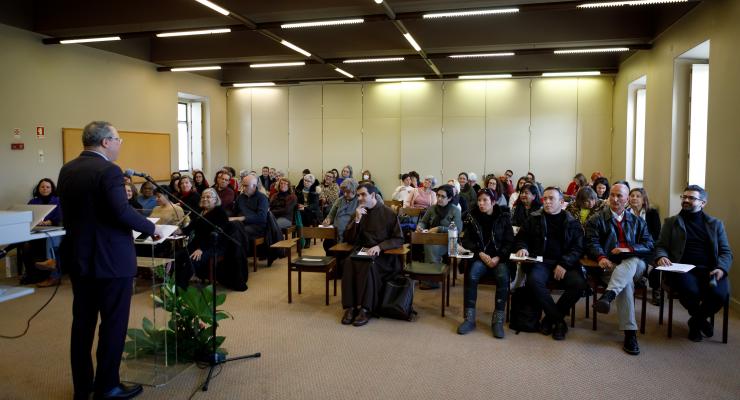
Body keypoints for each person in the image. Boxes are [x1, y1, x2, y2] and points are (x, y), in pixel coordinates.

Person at [58, 121, 160, 400]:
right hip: (112, 261)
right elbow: (121, 212)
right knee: (113, 324)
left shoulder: (68, 169)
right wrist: (154, 228)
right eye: (118, 139)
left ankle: (83, 387)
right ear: (105, 142)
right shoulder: (109, 171)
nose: (120, 143)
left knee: (82, 324)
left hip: (80, 259)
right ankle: (108, 386)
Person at [654, 185, 733, 342]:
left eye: (691, 198)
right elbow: (660, 245)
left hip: (710, 269)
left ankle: (695, 321)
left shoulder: (715, 224)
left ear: (703, 203)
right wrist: (661, 256)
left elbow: (726, 252)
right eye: (684, 197)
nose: (686, 200)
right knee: (690, 291)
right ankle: (699, 323)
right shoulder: (671, 222)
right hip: (682, 269)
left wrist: (721, 268)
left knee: (720, 294)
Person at [585, 183, 653, 355]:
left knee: (632, 260)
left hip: (636, 265)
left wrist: (629, 250)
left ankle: (608, 295)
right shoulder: (596, 219)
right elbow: (591, 242)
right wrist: (601, 257)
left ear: (627, 198)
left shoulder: (638, 222)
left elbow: (649, 245)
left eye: (620, 196)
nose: (615, 199)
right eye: (612, 195)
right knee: (626, 283)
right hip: (609, 266)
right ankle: (630, 333)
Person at [513, 187, 587, 340]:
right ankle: (559, 321)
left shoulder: (572, 222)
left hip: (565, 263)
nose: (546, 202)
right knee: (534, 280)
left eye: (551, 198)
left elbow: (578, 247)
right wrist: (522, 248)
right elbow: (521, 238)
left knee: (579, 284)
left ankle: (549, 319)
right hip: (541, 261)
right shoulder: (534, 218)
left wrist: (564, 264)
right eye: (544, 199)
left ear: (561, 202)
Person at [340, 183, 403, 327]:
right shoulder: (359, 212)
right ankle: (350, 307)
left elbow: (398, 239)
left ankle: (365, 308)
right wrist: (356, 220)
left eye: (363, 195)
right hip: (362, 250)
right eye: (358, 195)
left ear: (373, 195)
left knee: (368, 265)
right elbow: (348, 239)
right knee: (349, 262)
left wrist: (380, 247)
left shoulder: (388, 213)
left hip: (383, 255)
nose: (360, 198)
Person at [457, 189, 514, 338]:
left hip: (498, 258)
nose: (481, 204)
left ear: (493, 202)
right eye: (479, 200)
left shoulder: (504, 216)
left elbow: (509, 242)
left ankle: (497, 321)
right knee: (472, 275)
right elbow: (467, 240)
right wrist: (480, 253)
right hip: (480, 257)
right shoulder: (472, 216)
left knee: (502, 276)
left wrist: (498, 257)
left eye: (485, 201)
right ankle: (469, 319)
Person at [175, 187, 228, 288]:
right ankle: (174, 285)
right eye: (203, 197)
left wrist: (201, 249)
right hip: (197, 244)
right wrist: (179, 231)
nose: (204, 199)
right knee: (177, 256)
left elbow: (217, 234)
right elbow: (190, 227)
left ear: (215, 199)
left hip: (213, 245)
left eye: (208, 197)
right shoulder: (200, 211)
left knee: (192, 260)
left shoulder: (220, 212)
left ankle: (181, 288)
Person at [415, 184, 462, 290]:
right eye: (438, 196)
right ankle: (426, 275)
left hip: (450, 241)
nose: (439, 199)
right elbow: (423, 222)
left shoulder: (455, 210)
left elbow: (457, 230)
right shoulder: (432, 208)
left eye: (443, 196)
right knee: (426, 244)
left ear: (449, 198)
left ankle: (433, 280)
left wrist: (439, 228)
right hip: (432, 238)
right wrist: (419, 226)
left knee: (430, 246)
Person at [628, 187, 662, 304]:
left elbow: (656, 234)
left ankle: (655, 290)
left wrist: (644, 243)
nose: (634, 198)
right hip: (631, 246)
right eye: (632, 196)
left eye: (638, 196)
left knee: (655, 265)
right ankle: (637, 281)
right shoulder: (625, 213)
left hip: (649, 246)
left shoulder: (652, 213)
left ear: (644, 199)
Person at [322, 179, 360, 257]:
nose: (345, 194)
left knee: (345, 250)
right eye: (344, 192)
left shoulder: (359, 201)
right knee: (327, 243)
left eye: (348, 192)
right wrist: (328, 220)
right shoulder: (339, 200)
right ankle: (332, 264)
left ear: (355, 191)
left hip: (350, 233)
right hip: (336, 232)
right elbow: (331, 215)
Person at [232, 175, 269, 240]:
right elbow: (234, 212)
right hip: (241, 224)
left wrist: (242, 218)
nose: (243, 188)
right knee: (225, 230)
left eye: (246, 186)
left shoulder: (262, 198)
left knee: (238, 233)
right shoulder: (240, 197)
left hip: (257, 226)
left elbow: (261, 218)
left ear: (254, 186)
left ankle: (242, 250)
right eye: (243, 185)